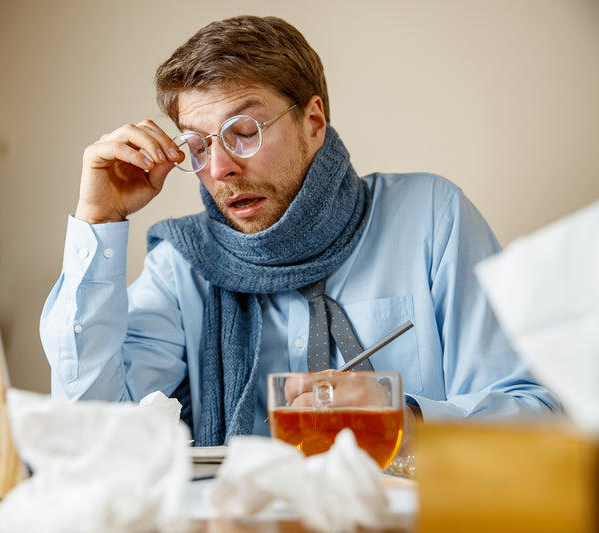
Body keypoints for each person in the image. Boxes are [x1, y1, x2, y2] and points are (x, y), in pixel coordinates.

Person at [40, 15, 561, 446]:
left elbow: (539, 415)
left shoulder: (431, 216)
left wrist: (406, 416)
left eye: (243, 132)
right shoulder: (183, 265)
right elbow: (91, 434)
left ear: (314, 121)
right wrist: (99, 222)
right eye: (198, 147)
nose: (219, 169)